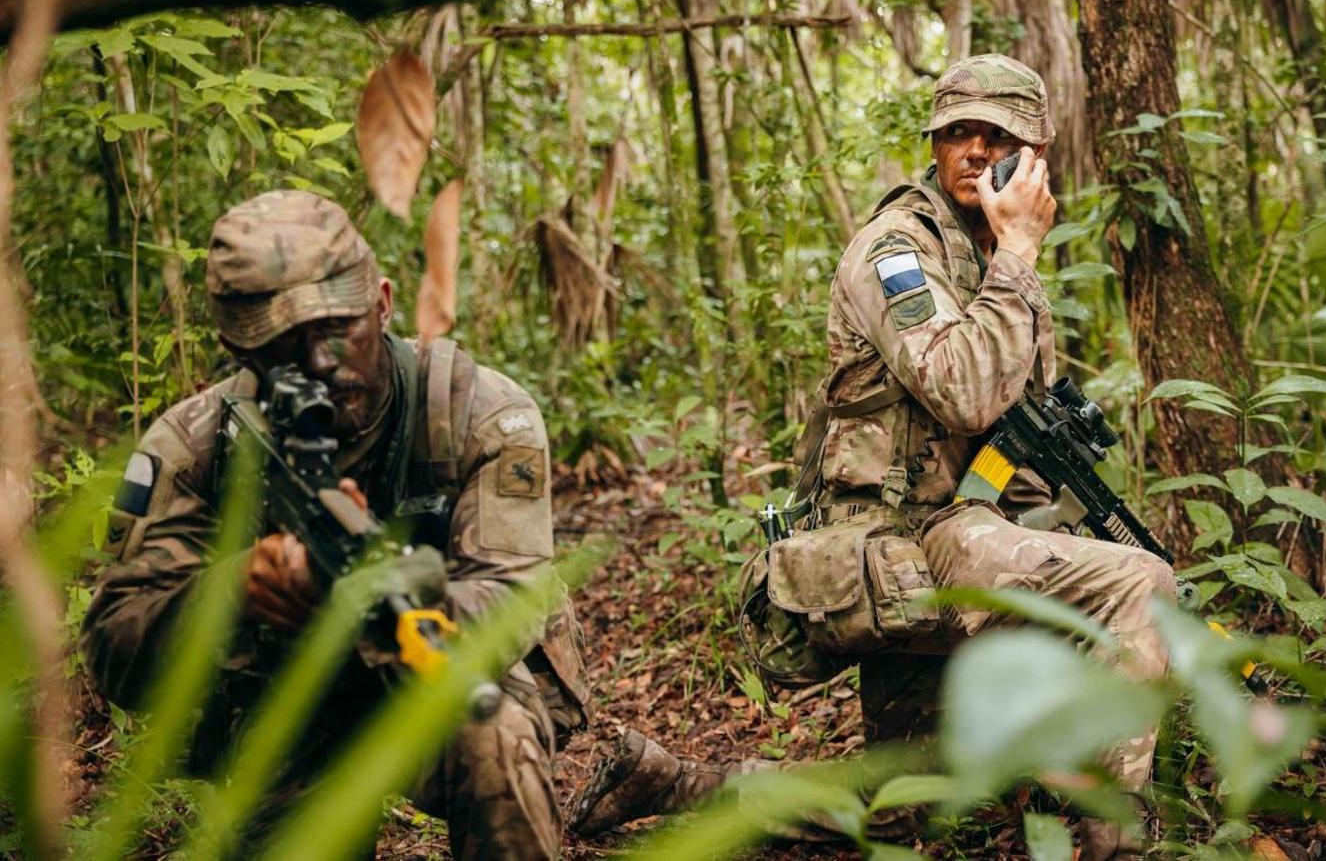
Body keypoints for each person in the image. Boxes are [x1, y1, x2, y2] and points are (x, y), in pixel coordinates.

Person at [568, 54, 1175, 860]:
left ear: (1034, 155)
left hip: (961, 526)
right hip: (905, 541)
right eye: (957, 132)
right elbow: (959, 391)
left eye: (997, 136)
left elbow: (1000, 437)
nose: (972, 150)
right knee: (1139, 583)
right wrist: (1020, 255)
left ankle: (676, 782)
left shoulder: (983, 251)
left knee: (908, 806)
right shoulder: (897, 250)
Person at [81, 190, 589, 860]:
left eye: (338, 329)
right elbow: (115, 647)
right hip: (288, 705)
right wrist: (237, 591)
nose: (321, 364)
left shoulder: (477, 412)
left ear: (381, 301)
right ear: (237, 346)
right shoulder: (194, 447)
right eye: (285, 346)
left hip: (435, 670)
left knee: (495, 731)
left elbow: (512, 599)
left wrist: (408, 597)